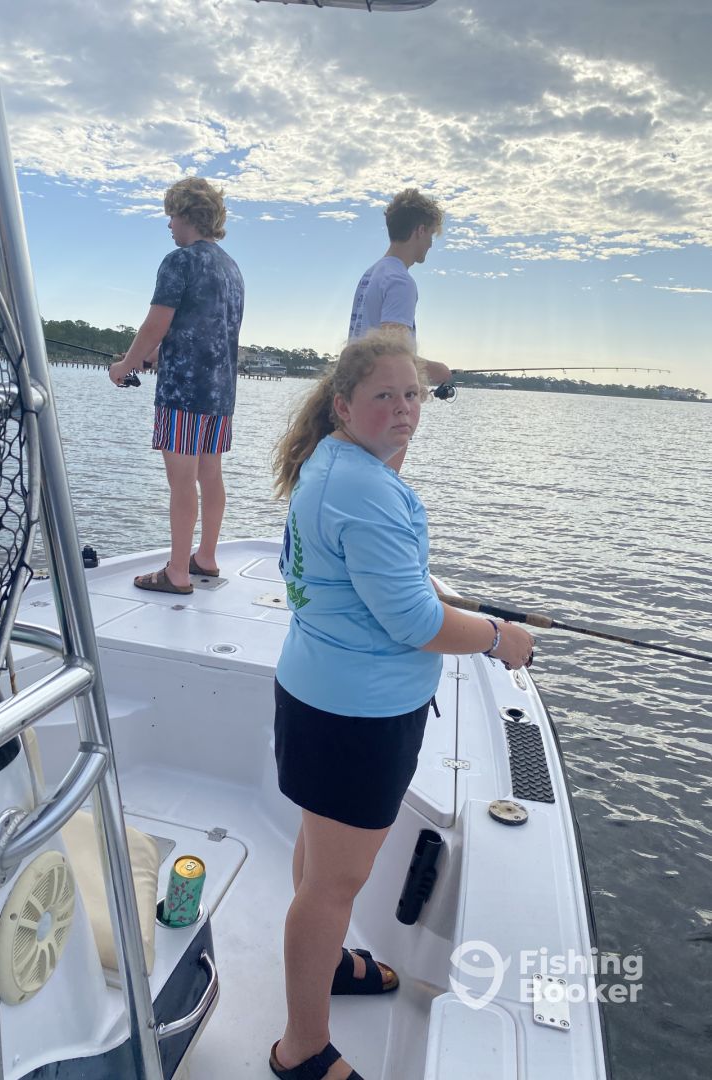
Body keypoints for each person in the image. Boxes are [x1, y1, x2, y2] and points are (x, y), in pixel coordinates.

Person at [269, 330, 535, 1080]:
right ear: (343, 405)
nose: (404, 408)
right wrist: (498, 638)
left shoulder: (333, 461)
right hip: (357, 718)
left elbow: (384, 576)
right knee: (333, 886)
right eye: (384, 395)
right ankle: (301, 1049)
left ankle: (325, 965)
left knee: (320, 856)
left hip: (319, 694)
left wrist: (394, 432)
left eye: (413, 395)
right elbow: (417, 623)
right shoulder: (364, 491)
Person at [109, 177, 244, 593]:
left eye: (172, 215)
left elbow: (156, 323)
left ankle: (178, 573)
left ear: (188, 214)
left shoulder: (179, 262)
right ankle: (206, 557)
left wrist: (126, 364)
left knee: (182, 482)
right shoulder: (232, 268)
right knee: (211, 475)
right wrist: (156, 355)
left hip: (183, 395)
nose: (169, 225)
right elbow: (202, 330)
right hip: (220, 394)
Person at [348, 189, 452, 470]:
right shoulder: (400, 281)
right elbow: (392, 356)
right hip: (386, 411)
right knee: (382, 483)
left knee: (362, 481)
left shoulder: (371, 274)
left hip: (358, 401)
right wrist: (439, 371)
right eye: (431, 235)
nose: (430, 244)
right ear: (420, 230)